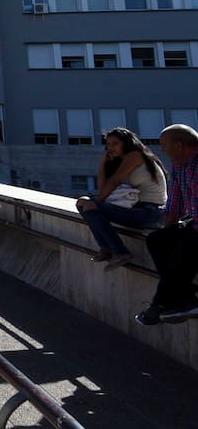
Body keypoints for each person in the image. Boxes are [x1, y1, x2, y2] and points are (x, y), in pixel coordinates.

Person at [75, 127, 166, 270]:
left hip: (152, 213)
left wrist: (96, 203)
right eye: (108, 144)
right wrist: (103, 163)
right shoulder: (120, 160)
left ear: (126, 143)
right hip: (136, 209)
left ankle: (120, 251)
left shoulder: (135, 155)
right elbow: (103, 188)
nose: (110, 148)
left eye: (115, 143)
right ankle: (106, 247)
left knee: (89, 205)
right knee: (82, 202)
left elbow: (114, 182)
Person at [135, 124, 198, 326]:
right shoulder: (180, 164)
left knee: (185, 247)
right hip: (194, 223)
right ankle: (185, 300)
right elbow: (175, 205)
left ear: (179, 145)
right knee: (158, 240)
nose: (162, 150)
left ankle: (159, 305)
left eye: (164, 145)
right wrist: (168, 232)